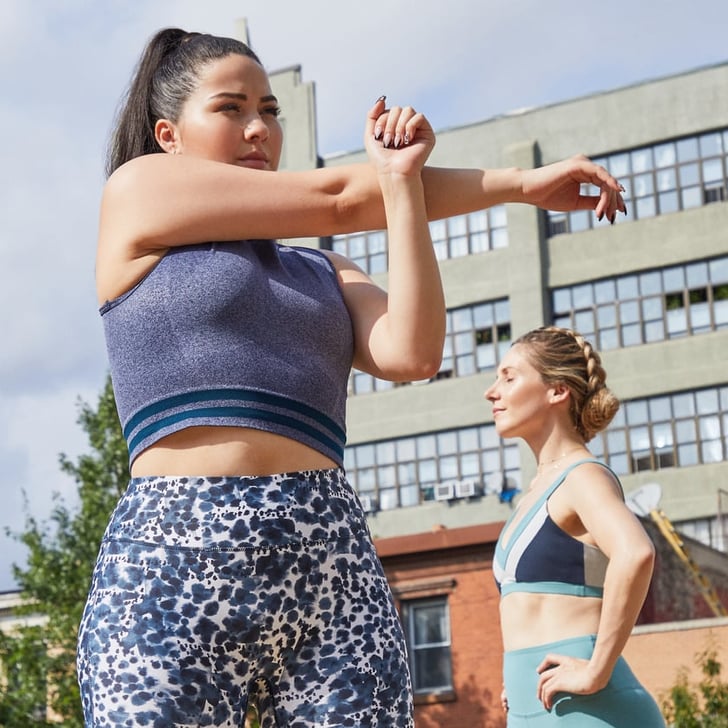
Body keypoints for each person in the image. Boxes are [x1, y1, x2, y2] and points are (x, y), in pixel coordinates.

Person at [76, 27, 626, 728]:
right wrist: (518, 186)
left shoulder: (323, 270)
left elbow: (413, 352)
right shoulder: (136, 196)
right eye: (231, 108)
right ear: (169, 134)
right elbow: (337, 196)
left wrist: (402, 186)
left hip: (329, 565)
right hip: (173, 560)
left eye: (271, 111)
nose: (259, 129)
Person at [486, 327, 666, 727]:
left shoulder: (582, 475)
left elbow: (635, 552)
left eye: (509, 377)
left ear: (557, 391)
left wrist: (595, 670)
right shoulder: (536, 491)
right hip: (539, 709)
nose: (492, 391)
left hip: (591, 710)